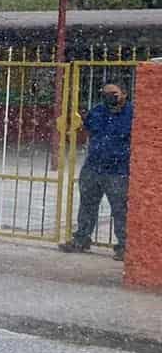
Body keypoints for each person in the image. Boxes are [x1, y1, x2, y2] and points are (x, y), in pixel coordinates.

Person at [59, 81, 132, 260]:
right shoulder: (97, 111)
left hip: (118, 170)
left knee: (120, 209)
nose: (109, 97)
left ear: (124, 94)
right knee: (87, 205)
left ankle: (125, 246)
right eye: (105, 93)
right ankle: (82, 239)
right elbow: (84, 132)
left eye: (113, 93)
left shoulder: (133, 113)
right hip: (93, 167)